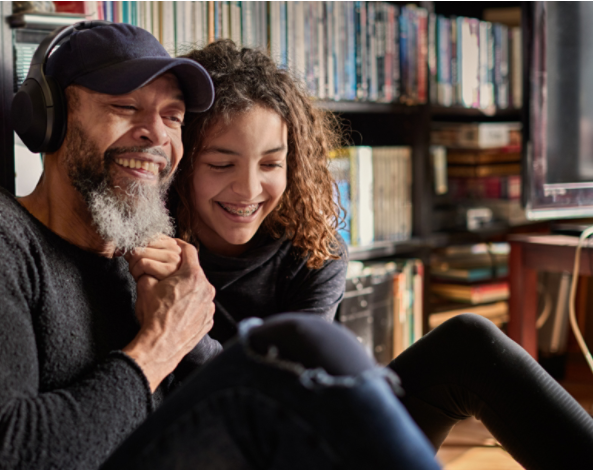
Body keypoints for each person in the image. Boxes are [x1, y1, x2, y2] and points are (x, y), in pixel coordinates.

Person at [0, 23, 443, 470]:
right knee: (297, 346)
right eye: (126, 108)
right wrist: (161, 344)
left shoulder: (139, 265)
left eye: (172, 116)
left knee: (435, 346)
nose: (155, 133)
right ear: (48, 119)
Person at [127, 40, 593, 470]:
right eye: (221, 164)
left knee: (469, 342)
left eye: (271, 164)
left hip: (305, 439)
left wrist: (186, 332)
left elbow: (291, 390)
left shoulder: (316, 249)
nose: (249, 189)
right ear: (183, 161)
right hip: (205, 450)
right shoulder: (144, 245)